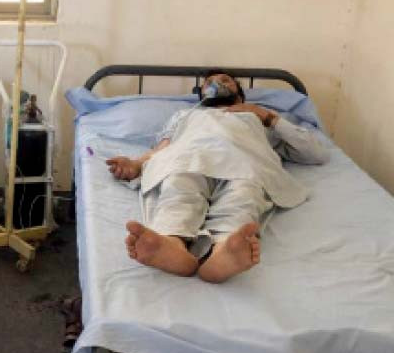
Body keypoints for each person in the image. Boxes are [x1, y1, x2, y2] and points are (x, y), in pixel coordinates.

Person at [106, 70, 328, 283]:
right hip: (187, 159)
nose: (218, 83)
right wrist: (136, 164)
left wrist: (263, 114)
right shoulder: (186, 115)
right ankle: (172, 243)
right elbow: (163, 147)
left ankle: (224, 251)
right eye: (209, 82)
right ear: (201, 93)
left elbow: (315, 153)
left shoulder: (256, 116)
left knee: (243, 195)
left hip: (244, 163)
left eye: (225, 80)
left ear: (240, 92)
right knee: (178, 188)